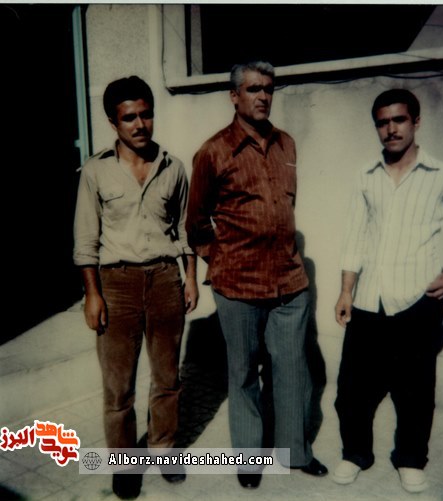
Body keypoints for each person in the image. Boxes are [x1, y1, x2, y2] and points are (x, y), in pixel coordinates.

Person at [186, 61, 328, 489]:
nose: (263, 96)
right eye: (253, 89)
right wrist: (221, 261)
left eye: (268, 88)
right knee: (244, 373)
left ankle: (295, 452)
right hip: (239, 286)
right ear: (234, 96)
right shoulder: (213, 152)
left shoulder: (287, 144)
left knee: (292, 370)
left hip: (289, 282)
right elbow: (196, 223)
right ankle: (249, 457)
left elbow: (286, 205)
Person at [333, 89, 443, 493]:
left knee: (414, 392)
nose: (391, 129)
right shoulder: (366, 176)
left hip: (417, 302)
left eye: (398, 120)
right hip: (368, 301)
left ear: (416, 122)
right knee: (352, 391)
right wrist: (345, 291)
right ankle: (355, 454)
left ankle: (411, 459)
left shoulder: (442, 175)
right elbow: (354, 237)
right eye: (382, 122)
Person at [73, 76, 198, 499]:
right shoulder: (95, 170)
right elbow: (85, 239)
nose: (140, 124)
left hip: (165, 279)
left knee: (167, 378)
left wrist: (190, 278)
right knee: (118, 387)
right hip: (117, 284)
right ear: (113, 122)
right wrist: (92, 294)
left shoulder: (173, 167)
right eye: (130, 117)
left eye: (146, 114)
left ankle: (164, 451)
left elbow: (185, 229)